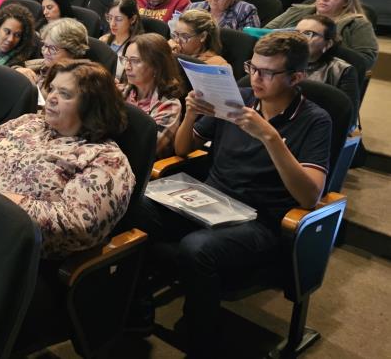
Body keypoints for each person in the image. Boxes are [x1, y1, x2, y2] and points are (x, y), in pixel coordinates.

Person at [122, 31, 331, 358]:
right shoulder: (240, 97)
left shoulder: (315, 120)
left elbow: (309, 197)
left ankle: (203, 338)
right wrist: (191, 112)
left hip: (262, 220)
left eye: (268, 72)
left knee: (196, 248)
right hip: (212, 200)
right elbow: (183, 148)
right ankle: (136, 302)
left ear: (296, 77)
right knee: (135, 205)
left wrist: (270, 138)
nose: (256, 78)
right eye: (253, 67)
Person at [0, 59, 134, 259]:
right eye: (52, 89)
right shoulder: (29, 122)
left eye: (64, 94)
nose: (51, 98)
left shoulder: (107, 160)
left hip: (12, 252)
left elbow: (78, 225)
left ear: (92, 105)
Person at [265, 0, 377, 68]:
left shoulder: (357, 23)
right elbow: (264, 32)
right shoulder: (296, 11)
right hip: (277, 65)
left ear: (346, 1)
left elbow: (366, 61)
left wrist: (328, 46)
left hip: (324, 73)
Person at [119, 33, 184, 157]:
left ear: (156, 66)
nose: (127, 67)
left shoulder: (169, 106)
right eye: (125, 60)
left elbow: (145, 150)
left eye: (135, 61)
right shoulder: (120, 92)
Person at [296, 14, 360, 126]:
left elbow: (349, 121)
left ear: (328, 43)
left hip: (316, 129)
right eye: (296, 33)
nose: (299, 38)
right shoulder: (280, 63)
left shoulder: (342, 71)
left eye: (308, 34)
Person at [14, 18, 89, 89]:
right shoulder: (43, 64)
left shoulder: (75, 84)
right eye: (45, 46)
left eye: (53, 49)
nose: (46, 52)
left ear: (73, 52)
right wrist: (17, 70)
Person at [101, 0, 143, 78]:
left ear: (132, 19)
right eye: (109, 17)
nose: (112, 24)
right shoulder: (103, 40)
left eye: (118, 19)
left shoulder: (136, 47)